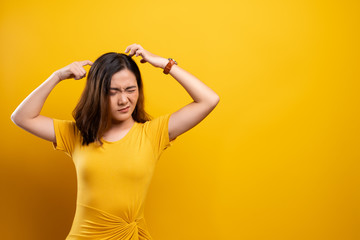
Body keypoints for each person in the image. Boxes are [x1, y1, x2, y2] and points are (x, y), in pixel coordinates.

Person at [10, 43, 220, 239]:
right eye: (113, 92)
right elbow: (21, 117)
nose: (123, 100)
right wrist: (57, 76)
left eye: (130, 90)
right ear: (98, 94)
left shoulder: (152, 133)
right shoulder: (77, 134)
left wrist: (164, 63)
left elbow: (209, 100)